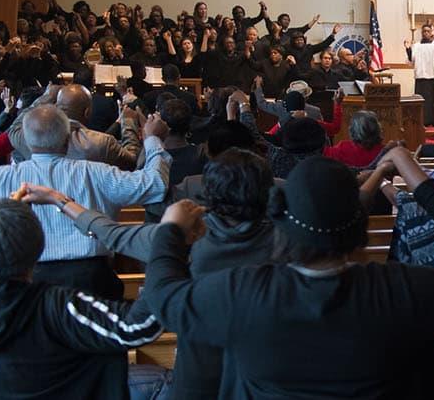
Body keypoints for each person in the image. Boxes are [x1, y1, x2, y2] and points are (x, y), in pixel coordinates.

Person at [141, 157, 434, 398]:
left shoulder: (241, 292)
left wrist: (171, 230)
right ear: (360, 226)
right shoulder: (407, 289)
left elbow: (163, 295)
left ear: (282, 224)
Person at [19, 148, 277, 398]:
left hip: (198, 374)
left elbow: (111, 232)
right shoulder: (288, 242)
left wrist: (58, 199)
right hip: (268, 370)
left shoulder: (178, 237)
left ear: (209, 192)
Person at [0, 199, 165, 400]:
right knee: (164, 380)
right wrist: (165, 251)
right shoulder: (56, 305)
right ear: (39, 244)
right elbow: (137, 328)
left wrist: (2, 222)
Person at [0, 106, 170, 299]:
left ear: (26, 141)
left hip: (29, 282)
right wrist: (153, 140)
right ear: (67, 139)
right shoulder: (96, 173)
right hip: (91, 280)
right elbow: (154, 185)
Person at [7, 84, 141, 168]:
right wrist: (128, 122)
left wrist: (46, 97)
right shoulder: (102, 143)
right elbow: (132, 160)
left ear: (57, 106)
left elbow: (14, 128)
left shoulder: (30, 137)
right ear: (87, 112)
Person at [405, 24, 434, 123]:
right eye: (424, 31)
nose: (426, 33)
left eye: (428, 31)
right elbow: (411, 60)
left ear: (431, 33)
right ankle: (423, 120)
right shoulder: (416, 46)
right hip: (421, 77)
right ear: (421, 33)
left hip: (433, 76)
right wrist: (408, 49)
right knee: (422, 100)